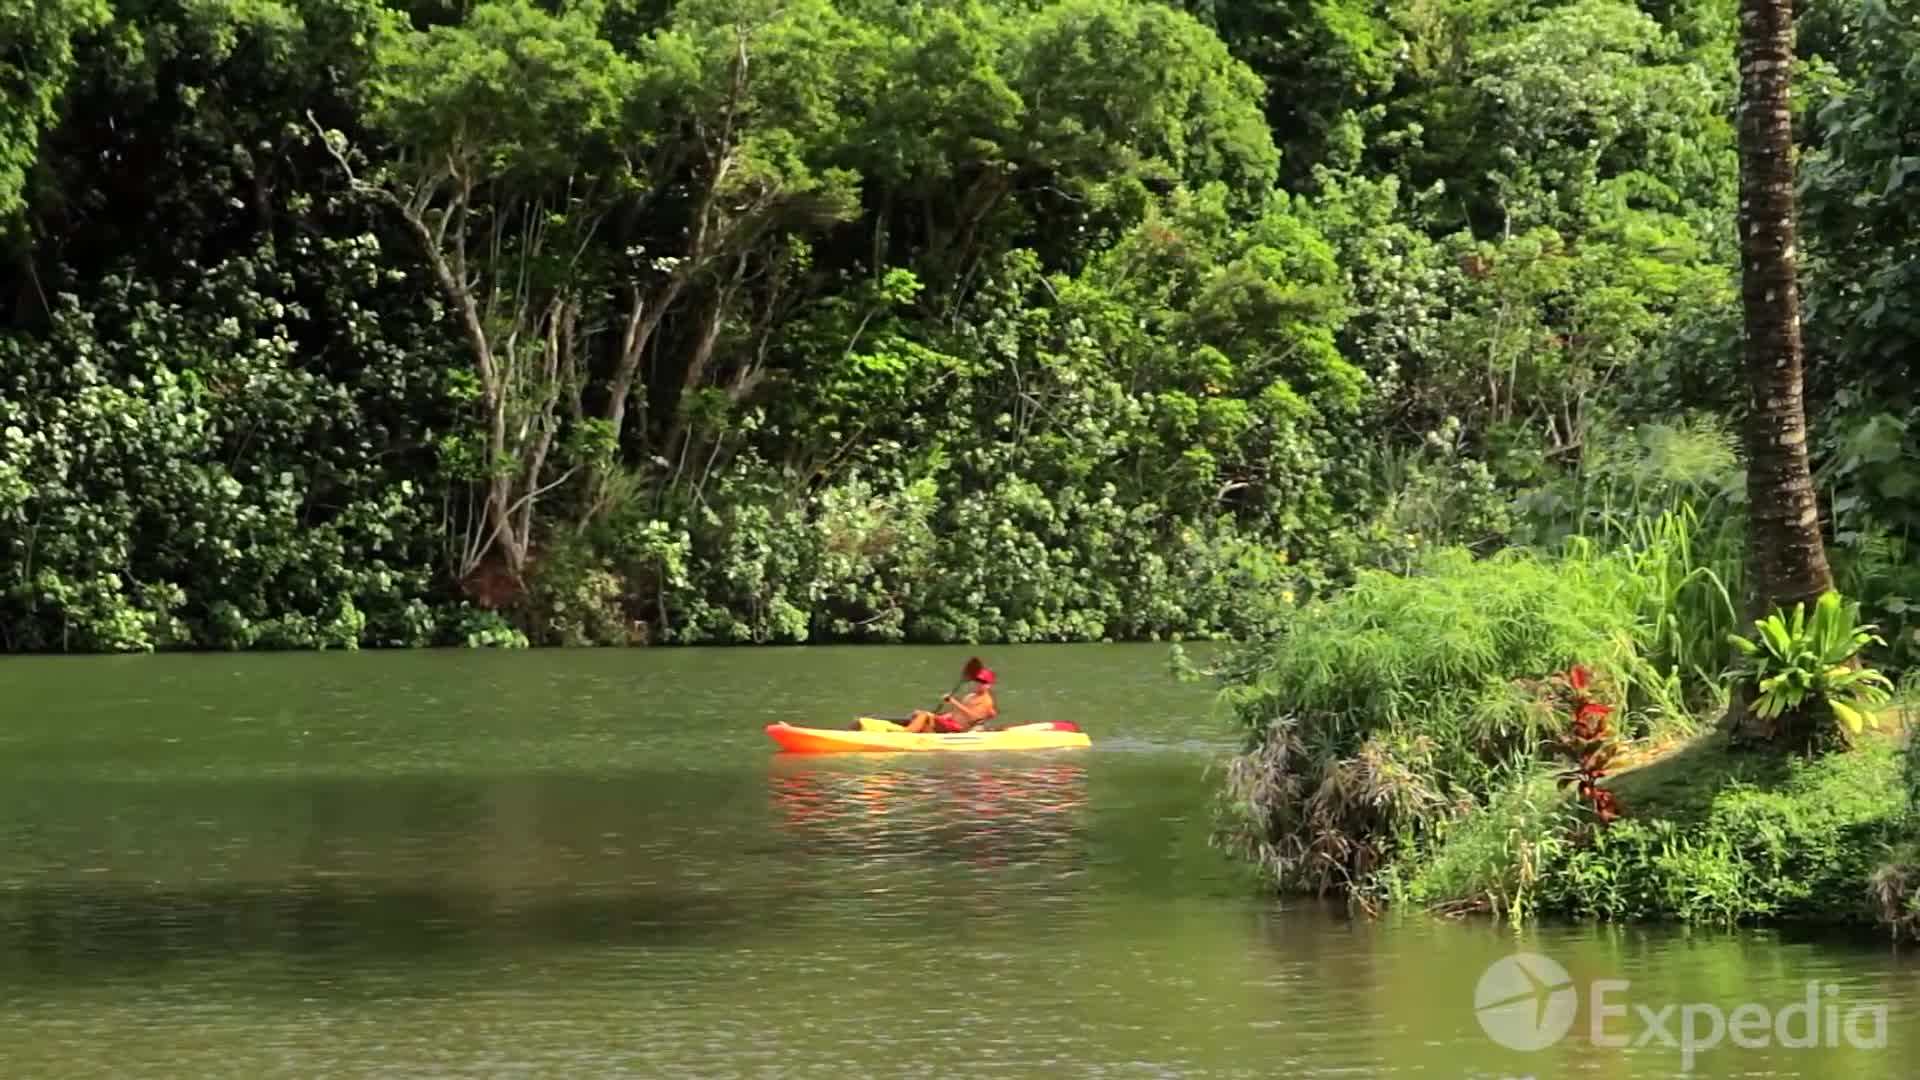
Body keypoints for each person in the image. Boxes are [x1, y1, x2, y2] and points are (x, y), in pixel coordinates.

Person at [903, 667, 997, 733]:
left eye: (983, 682)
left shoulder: (986, 700)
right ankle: (917, 731)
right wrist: (941, 717)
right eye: (977, 680)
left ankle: (905, 735)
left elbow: (973, 717)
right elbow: (955, 713)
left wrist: (953, 701)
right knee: (917, 713)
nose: (978, 683)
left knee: (924, 715)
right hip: (951, 723)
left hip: (958, 728)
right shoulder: (970, 696)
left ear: (989, 685)